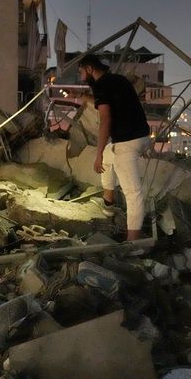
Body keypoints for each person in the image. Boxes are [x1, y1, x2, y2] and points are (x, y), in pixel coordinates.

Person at [79, 54, 150, 241]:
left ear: (89, 69)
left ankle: (133, 242)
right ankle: (108, 205)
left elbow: (106, 119)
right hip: (142, 136)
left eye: (80, 72)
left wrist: (98, 153)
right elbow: (109, 100)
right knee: (109, 158)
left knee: (133, 193)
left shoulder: (102, 86)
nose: (80, 77)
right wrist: (85, 97)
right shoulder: (116, 80)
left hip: (127, 142)